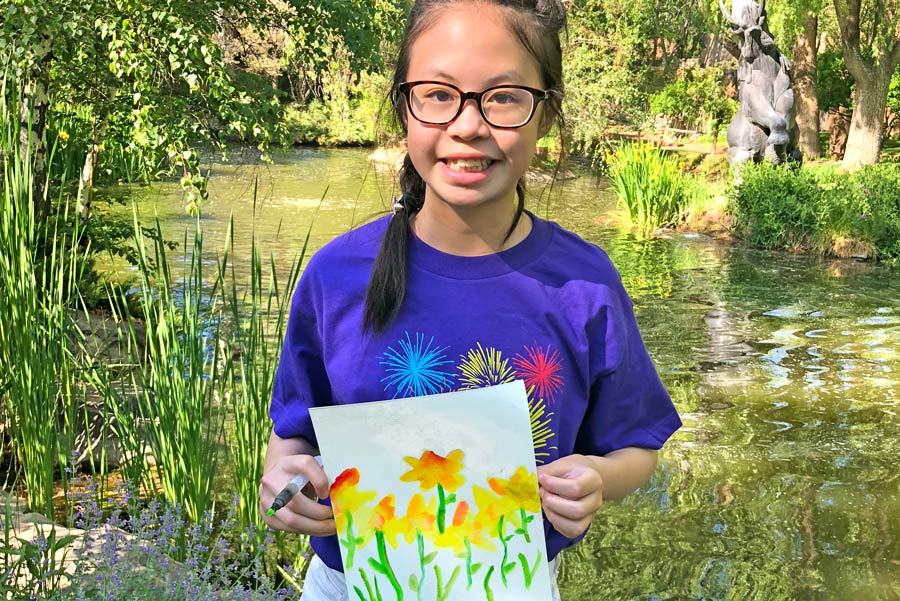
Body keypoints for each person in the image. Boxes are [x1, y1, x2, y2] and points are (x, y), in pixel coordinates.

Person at [259, 1, 682, 599]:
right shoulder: (336, 276)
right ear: (403, 108)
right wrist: (282, 484)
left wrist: (599, 478)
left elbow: (636, 448)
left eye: (505, 96)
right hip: (352, 583)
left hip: (512, 583)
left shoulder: (584, 285)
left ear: (547, 115)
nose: (468, 125)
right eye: (437, 94)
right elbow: (292, 435)